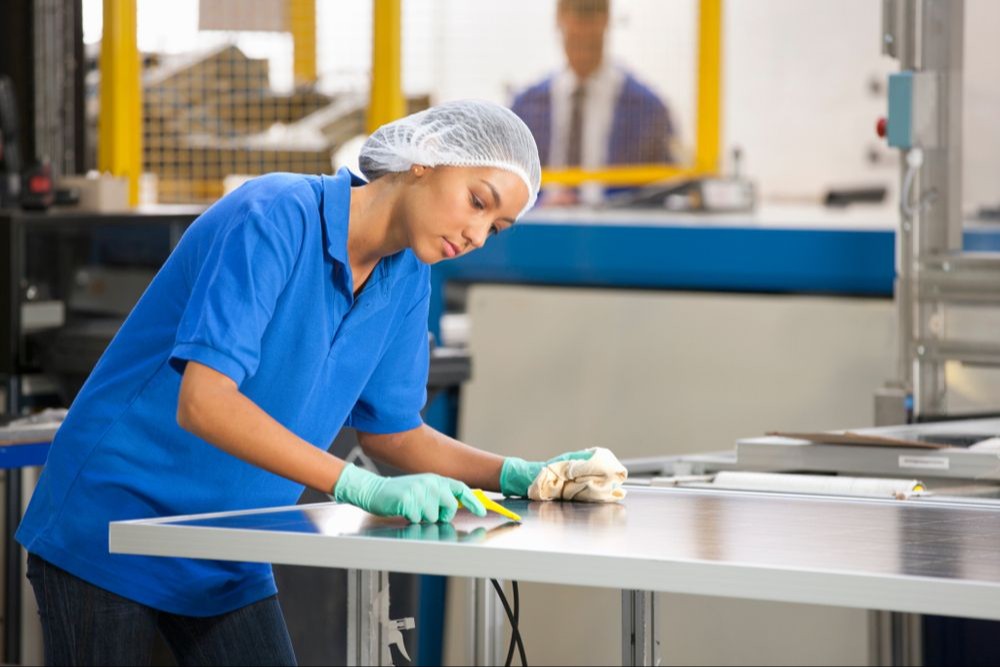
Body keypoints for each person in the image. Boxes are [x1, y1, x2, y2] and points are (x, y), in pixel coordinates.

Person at [16, 100, 608, 666]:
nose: (477, 234)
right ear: (424, 159)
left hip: (229, 542)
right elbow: (204, 402)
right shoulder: (275, 215)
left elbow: (394, 434)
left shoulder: (407, 278)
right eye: (478, 202)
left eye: (496, 227)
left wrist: (523, 476)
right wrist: (358, 486)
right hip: (114, 524)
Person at [511, 0, 678, 205]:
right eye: (575, 11)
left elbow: (665, 194)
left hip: (617, 222)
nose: (582, 27)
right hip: (540, 223)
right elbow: (505, 190)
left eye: (591, 10)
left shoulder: (647, 111)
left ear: (606, 18)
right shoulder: (527, 108)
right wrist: (541, 208)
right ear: (559, 17)